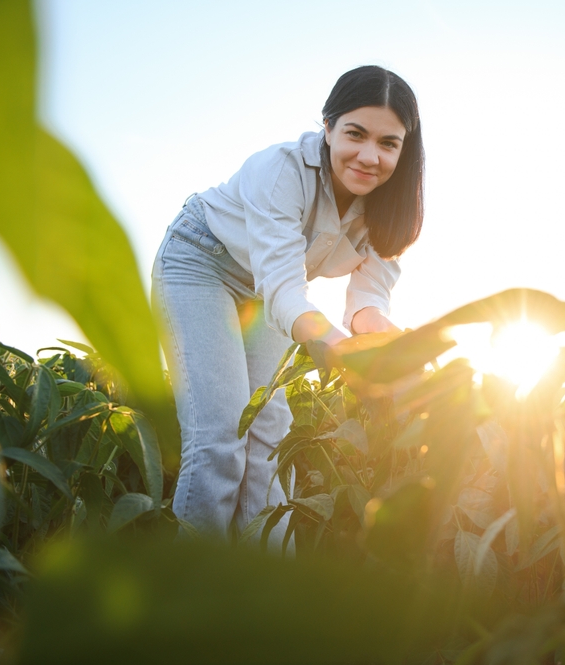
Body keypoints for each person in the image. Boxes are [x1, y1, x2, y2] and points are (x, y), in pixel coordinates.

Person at [150, 66, 424, 538]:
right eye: (355, 134)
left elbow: (367, 306)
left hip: (269, 292)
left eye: (388, 143)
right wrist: (345, 357)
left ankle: (267, 593)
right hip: (201, 262)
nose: (368, 156)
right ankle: (190, 593)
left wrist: (397, 353)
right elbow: (284, 292)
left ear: (405, 148)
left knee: (269, 436)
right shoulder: (280, 171)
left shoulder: (394, 210)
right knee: (220, 436)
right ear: (328, 127)